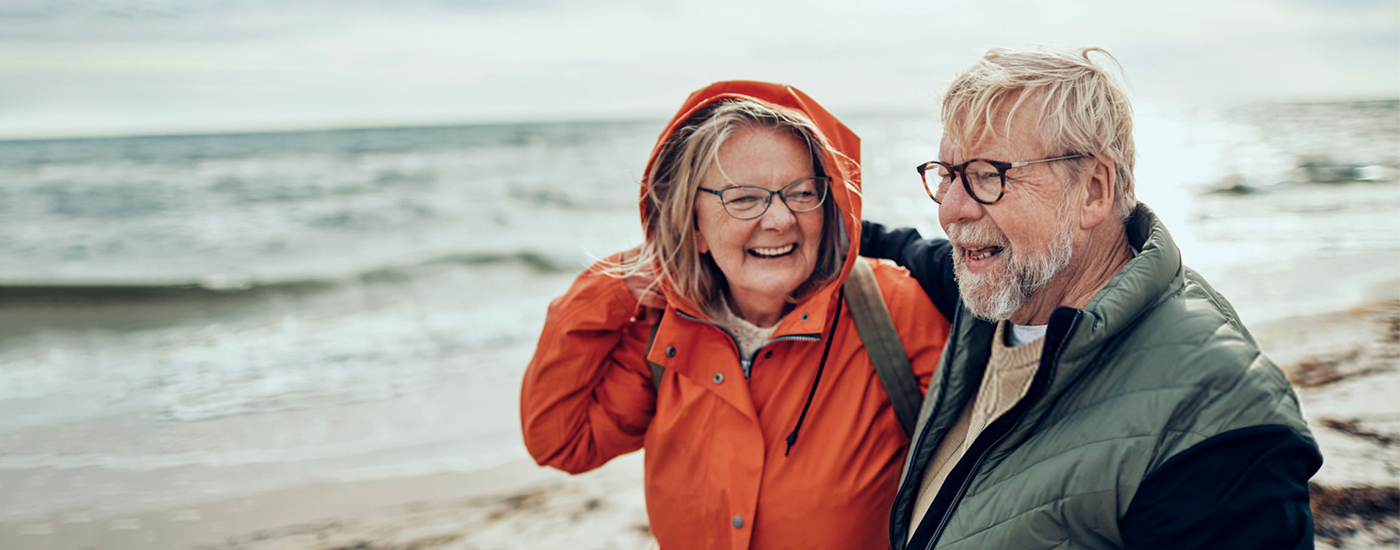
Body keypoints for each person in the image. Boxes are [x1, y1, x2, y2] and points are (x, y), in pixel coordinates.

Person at [860, 47, 1323, 549]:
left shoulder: (1212, 407)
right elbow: (898, 246)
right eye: (947, 175)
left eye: (987, 175)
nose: (950, 209)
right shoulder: (993, 296)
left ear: (1093, 191)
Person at [520, 81, 951, 549]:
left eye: (802, 193)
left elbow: (979, 471)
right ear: (694, 224)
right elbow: (561, 440)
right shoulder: (662, 332)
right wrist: (615, 285)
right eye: (743, 198)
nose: (780, 219)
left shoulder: (890, 309)